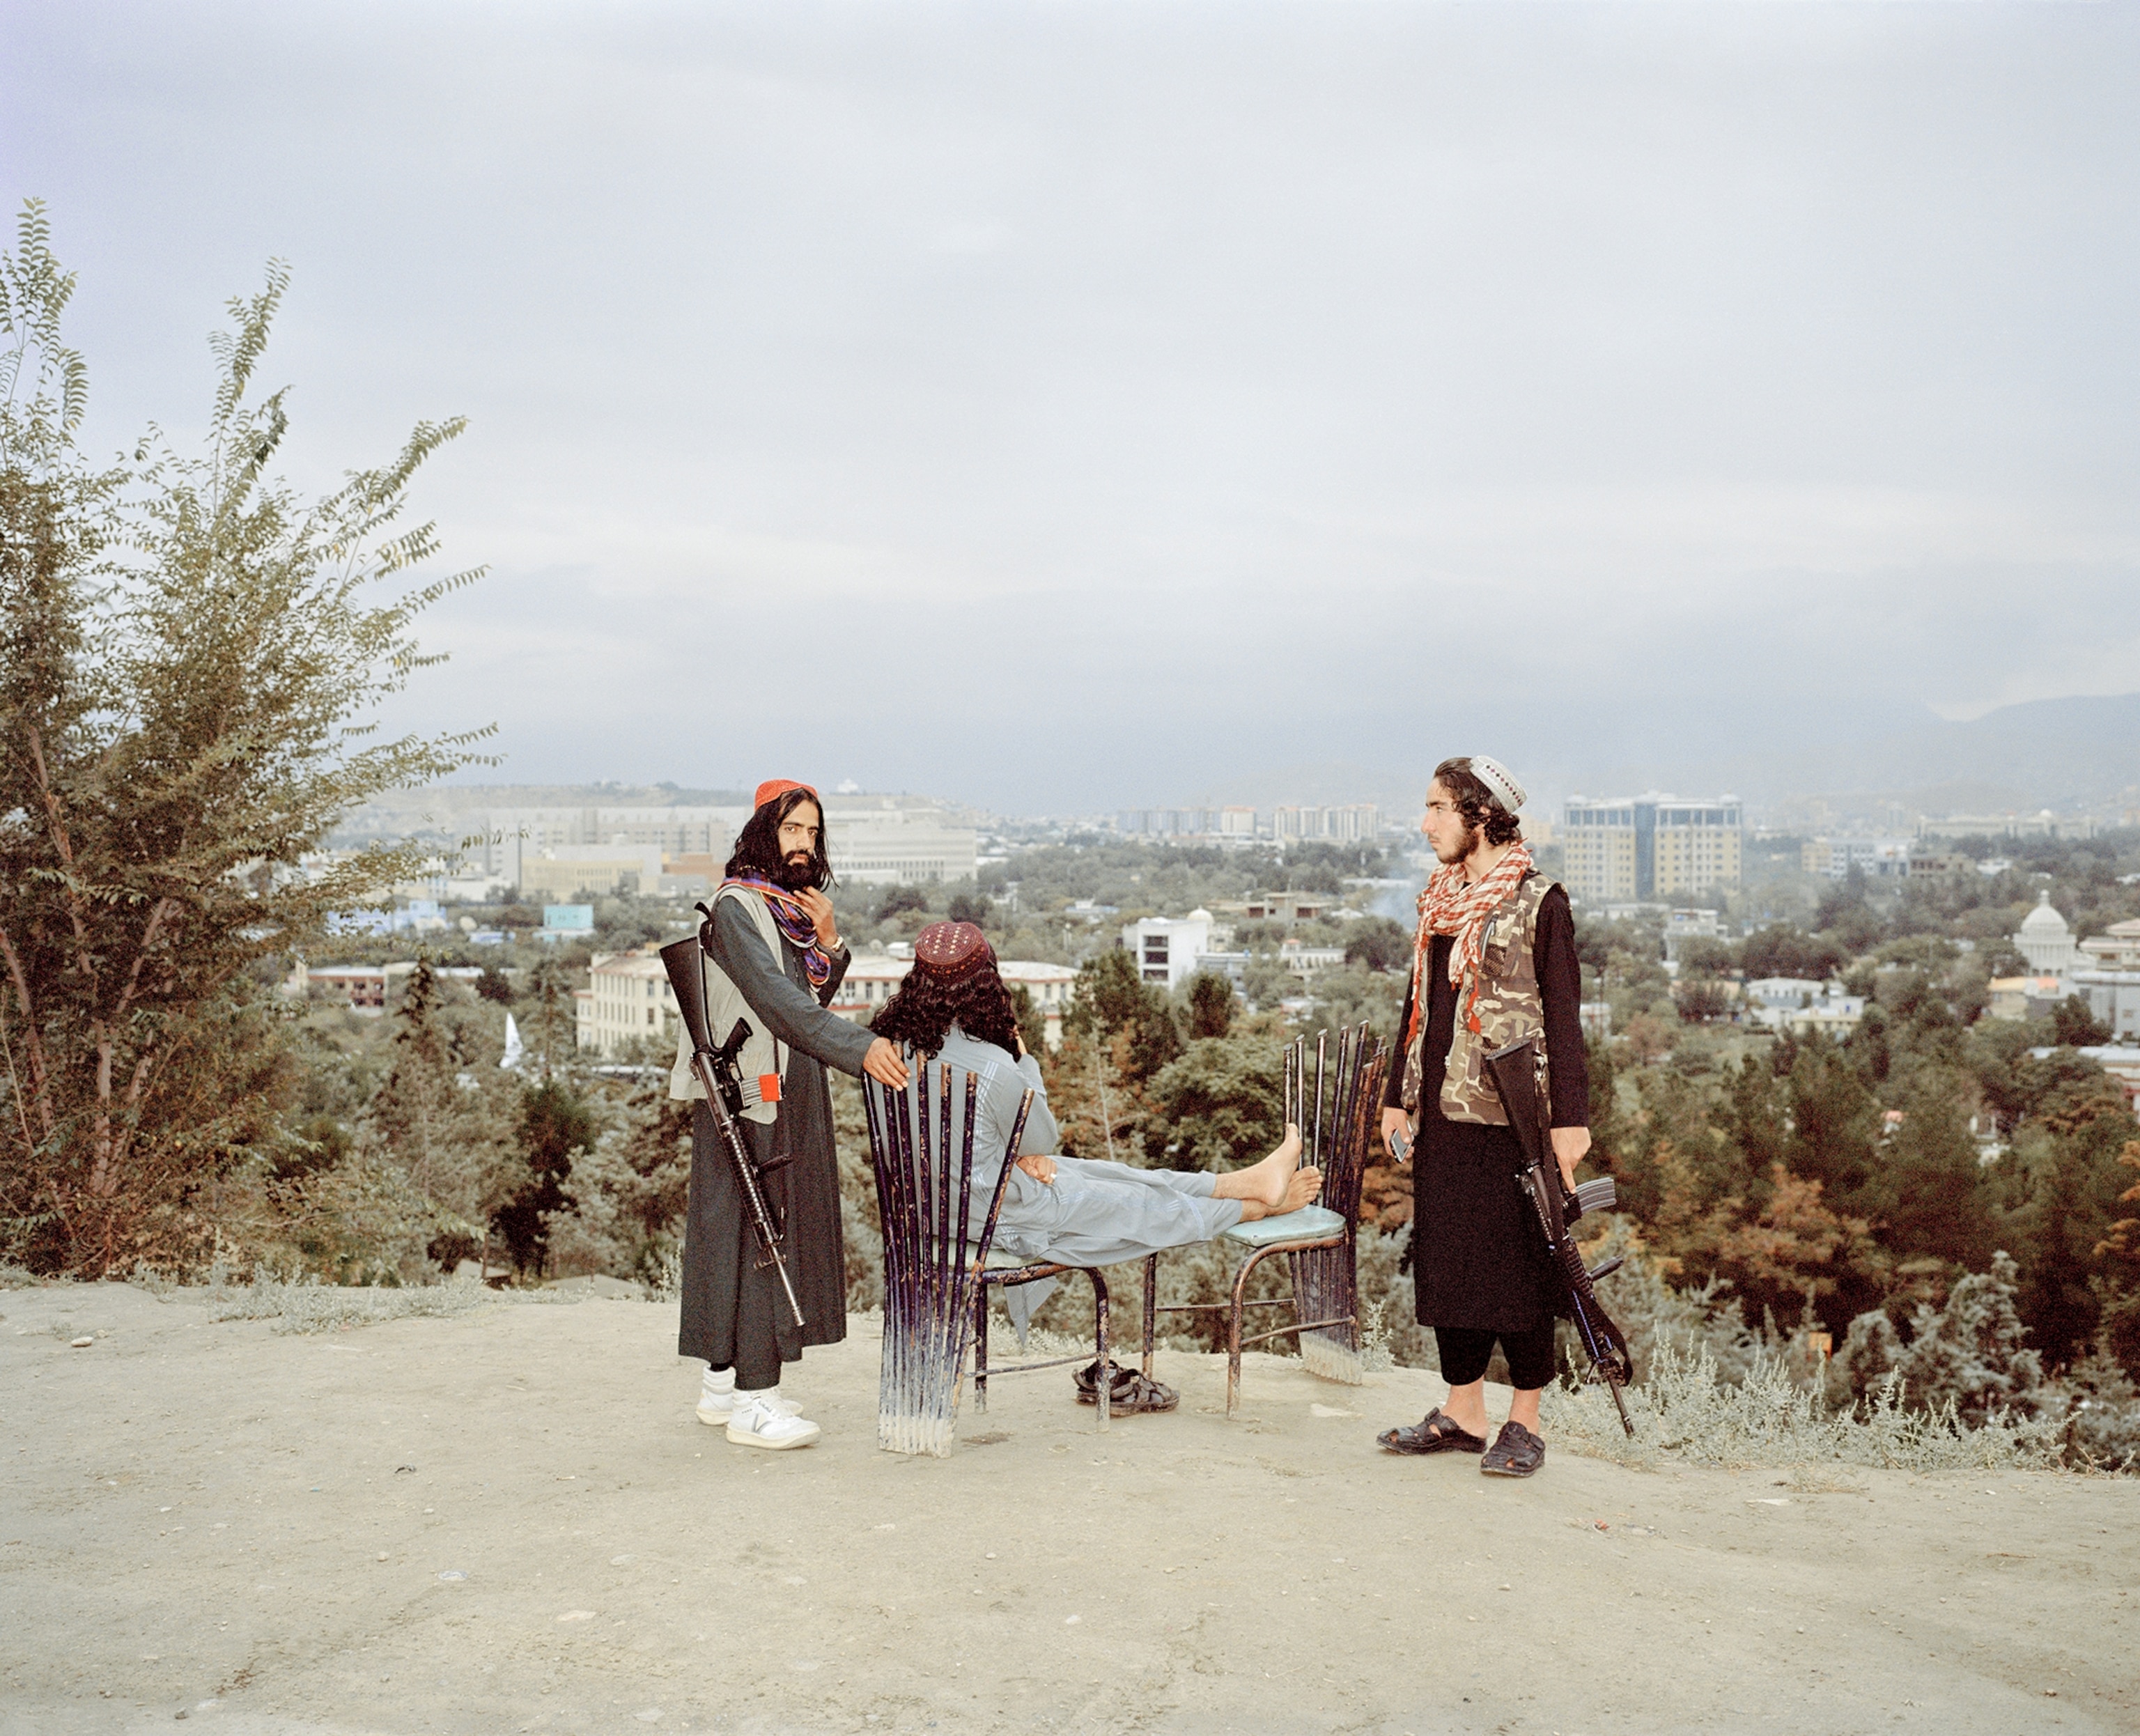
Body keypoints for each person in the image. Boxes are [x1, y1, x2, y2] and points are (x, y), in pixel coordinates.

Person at [871, 922, 1317, 1389]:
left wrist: (1015, 1155)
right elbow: (1042, 1137)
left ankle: (1249, 1182)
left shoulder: (884, 1052)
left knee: (1112, 1174)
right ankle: (1257, 1208)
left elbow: (957, 1142)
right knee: (1133, 1205)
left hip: (930, 1216)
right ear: (985, 985)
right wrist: (1021, 1053)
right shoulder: (995, 1066)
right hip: (1003, 1220)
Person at [673, 779, 910, 1450]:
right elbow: (781, 1006)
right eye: (791, 830)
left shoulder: (781, 911)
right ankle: (756, 1401)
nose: (804, 844)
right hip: (754, 1094)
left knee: (745, 1227)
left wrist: (830, 946)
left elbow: (803, 996)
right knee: (759, 1232)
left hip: (784, 1086)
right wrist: (861, 1048)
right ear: (762, 833)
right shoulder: (737, 908)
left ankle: (724, 1389)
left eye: (813, 832)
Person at [1376, 755, 1590, 1478]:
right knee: (1449, 1268)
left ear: (1479, 813)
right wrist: (1394, 1096)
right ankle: (1463, 1411)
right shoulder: (1439, 901)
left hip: (1514, 1121)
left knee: (1522, 1271)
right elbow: (1418, 1007)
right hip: (1441, 1113)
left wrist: (1571, 1122)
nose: (1427, 822)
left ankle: (1523, 1422)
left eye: (1438, 807)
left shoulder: (1540, 903)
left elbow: (1565, 1019)